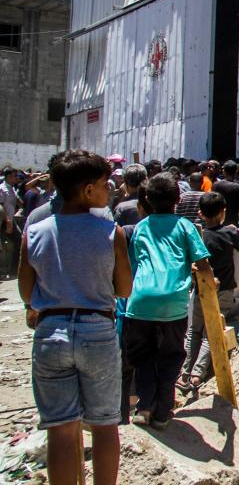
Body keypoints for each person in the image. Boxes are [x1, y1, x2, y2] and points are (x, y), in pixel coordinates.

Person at [19, 150, 132, 485]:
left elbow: (27, 294)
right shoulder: (111, 232)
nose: (109, 189)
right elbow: (124, 289)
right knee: (104, 425)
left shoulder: (34, 232)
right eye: (103, 184)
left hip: (50, 333)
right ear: (86, 190)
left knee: (62, 430)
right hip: (97, 331)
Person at [122, 172, 210, 428]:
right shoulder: (185, 226)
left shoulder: (141, 227)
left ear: (147, 199)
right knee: (171, 356)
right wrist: (209, 283)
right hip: (173, 303)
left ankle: (144, 408)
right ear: (178, 199)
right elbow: (201, 262)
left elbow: (133, 263)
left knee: (143, 357)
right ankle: (163, 412)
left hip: (140, 302)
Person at [179, 192, 239, 394]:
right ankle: (198, 375)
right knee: (210, 333)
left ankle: (184, 374)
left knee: (193, 331)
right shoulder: (229, 232)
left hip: (199, 291)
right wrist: (237, 231)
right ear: (223, 212)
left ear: (200, 214)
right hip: (223, 290)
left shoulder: (198, 237)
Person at [1, 166, 22, 278]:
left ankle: (13, 270)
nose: (16, 178)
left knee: (19, 241)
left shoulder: (12, 188)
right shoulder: (2, 188)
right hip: (4, 221)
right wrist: (8, 221)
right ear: (9, 177)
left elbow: (18, 201)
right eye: (15, 176)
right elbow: (1, 206)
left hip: (11, 219)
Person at [212, 161, 239, 227]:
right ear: (236, 172)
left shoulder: (216, 185)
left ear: (224, 171)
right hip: (232, 222)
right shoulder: (237, 187)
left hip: (217, 220)